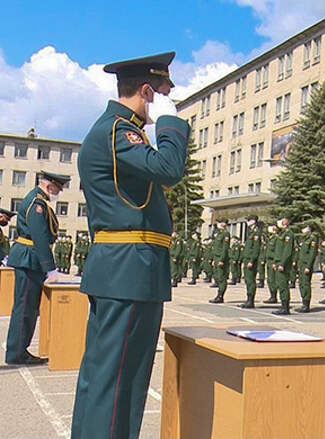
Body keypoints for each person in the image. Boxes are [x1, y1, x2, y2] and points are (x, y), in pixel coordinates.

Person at [70, 51, 189, 439]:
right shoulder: (120, 131)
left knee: (109, 378)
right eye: (159, 93)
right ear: (144, 89)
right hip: (129, 269)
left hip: (126, 269)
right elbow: (168, 170)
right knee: (118, 380)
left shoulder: (114, 130)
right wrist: (172, 122)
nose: (159, 103)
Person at [5, 171, 68, 365]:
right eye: (58, 188)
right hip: (29, 258)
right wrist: (50, 269)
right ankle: (17, 353)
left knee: (28, 308)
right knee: (24, 308)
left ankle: (19, 350)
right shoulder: (36, 203)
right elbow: (40, 237)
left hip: (30, 259)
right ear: (50, 185)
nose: (58, 192)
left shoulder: (38, 201)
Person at [273, 217, 295, 315]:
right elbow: (278, 250)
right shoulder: (281, 234)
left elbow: (287, 251)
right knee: (280, 284)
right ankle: (282, 306)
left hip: (283, 264)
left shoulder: (288, 234)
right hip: (278, 262)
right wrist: (275, 262)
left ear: (285, 222)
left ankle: (285, 307)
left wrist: (282, 263)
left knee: (283, 285)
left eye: (280, 220)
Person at [295, 224, 318, 313]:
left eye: (304, 228)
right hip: (301, 264)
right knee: (301, 284)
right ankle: (303, 302)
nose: (303, 229)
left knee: (305, 284)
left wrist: (308, 266)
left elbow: (312, 254)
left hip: (306, 265)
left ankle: (306, 305)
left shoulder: (312, 239)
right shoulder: (305, 239)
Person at [240, 215, 261, 308]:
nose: (247, 222)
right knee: (248, 281)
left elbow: (256, 249)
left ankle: (251, 301)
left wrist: (252, 260)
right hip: (247, 259)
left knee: (251, 281)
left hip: (251, 260)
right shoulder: (251, 232)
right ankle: (248, 300)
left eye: (249, 220)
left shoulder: (256, 233)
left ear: (253, 221)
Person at [210, 218, 231, 303]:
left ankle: (220, 296)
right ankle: (218, 294)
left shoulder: (225, 234)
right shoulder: (218, 233)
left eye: (219, 222)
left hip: (221, 258)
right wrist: (213, 259)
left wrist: (221, 259)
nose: (218, 224)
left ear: (224, 224)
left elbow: (225, 249)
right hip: (216, 257)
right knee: (217, 276)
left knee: (222, 278)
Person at [264, 224, 279, 304]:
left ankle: (274, 296)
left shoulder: (276, 238)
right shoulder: (270, 238)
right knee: (270, 280)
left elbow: (277, 251)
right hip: (269, 261)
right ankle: (272, 295)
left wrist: (275, 262)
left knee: (273, 280)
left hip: (273, 261)